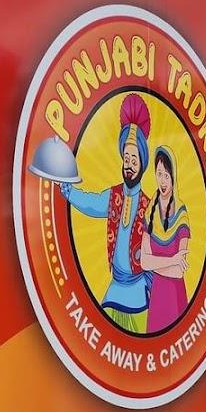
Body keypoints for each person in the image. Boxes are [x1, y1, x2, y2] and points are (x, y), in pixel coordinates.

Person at [58, 93, 154, 332]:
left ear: (143, 163)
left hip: (139, 294)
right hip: (115, 290)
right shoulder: (114, 196)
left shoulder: (149, 206)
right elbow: (91, 203)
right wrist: (69, 192)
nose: (129, 165)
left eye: (134, 159)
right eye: (126, 158)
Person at [140, 145, 190, 332]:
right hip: (157, 298)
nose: (162, 180)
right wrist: (172, 260)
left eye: (166, 176)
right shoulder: (150, 212)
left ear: (173, 177)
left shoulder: (181, 213)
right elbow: (143, 262)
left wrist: (155, 263)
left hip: (175, 299)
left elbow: (179, 272)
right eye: (159, 174)